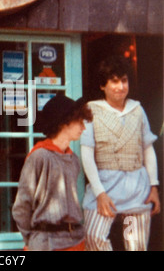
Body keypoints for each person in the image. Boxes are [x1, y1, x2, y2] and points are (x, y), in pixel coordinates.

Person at [81, 55, 161, 251]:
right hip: (105, 186)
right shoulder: (91, 110)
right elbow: (87, 154)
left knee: (135, 245)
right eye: (114, 81)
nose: (120, 87)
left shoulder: (137, 110)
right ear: (103, 85)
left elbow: (147, 149)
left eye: (124, 81)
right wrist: (99, 192)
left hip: (136, 189)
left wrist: (154, 187)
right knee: (93, 236)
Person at [12, 95, 93, 251]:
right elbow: (22, 205)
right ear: (65, 122)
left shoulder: (73, 159)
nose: (83, 127)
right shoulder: (39, 156)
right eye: (79, 121)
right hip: (47, 243)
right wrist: (30, 240)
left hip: (75, 240)